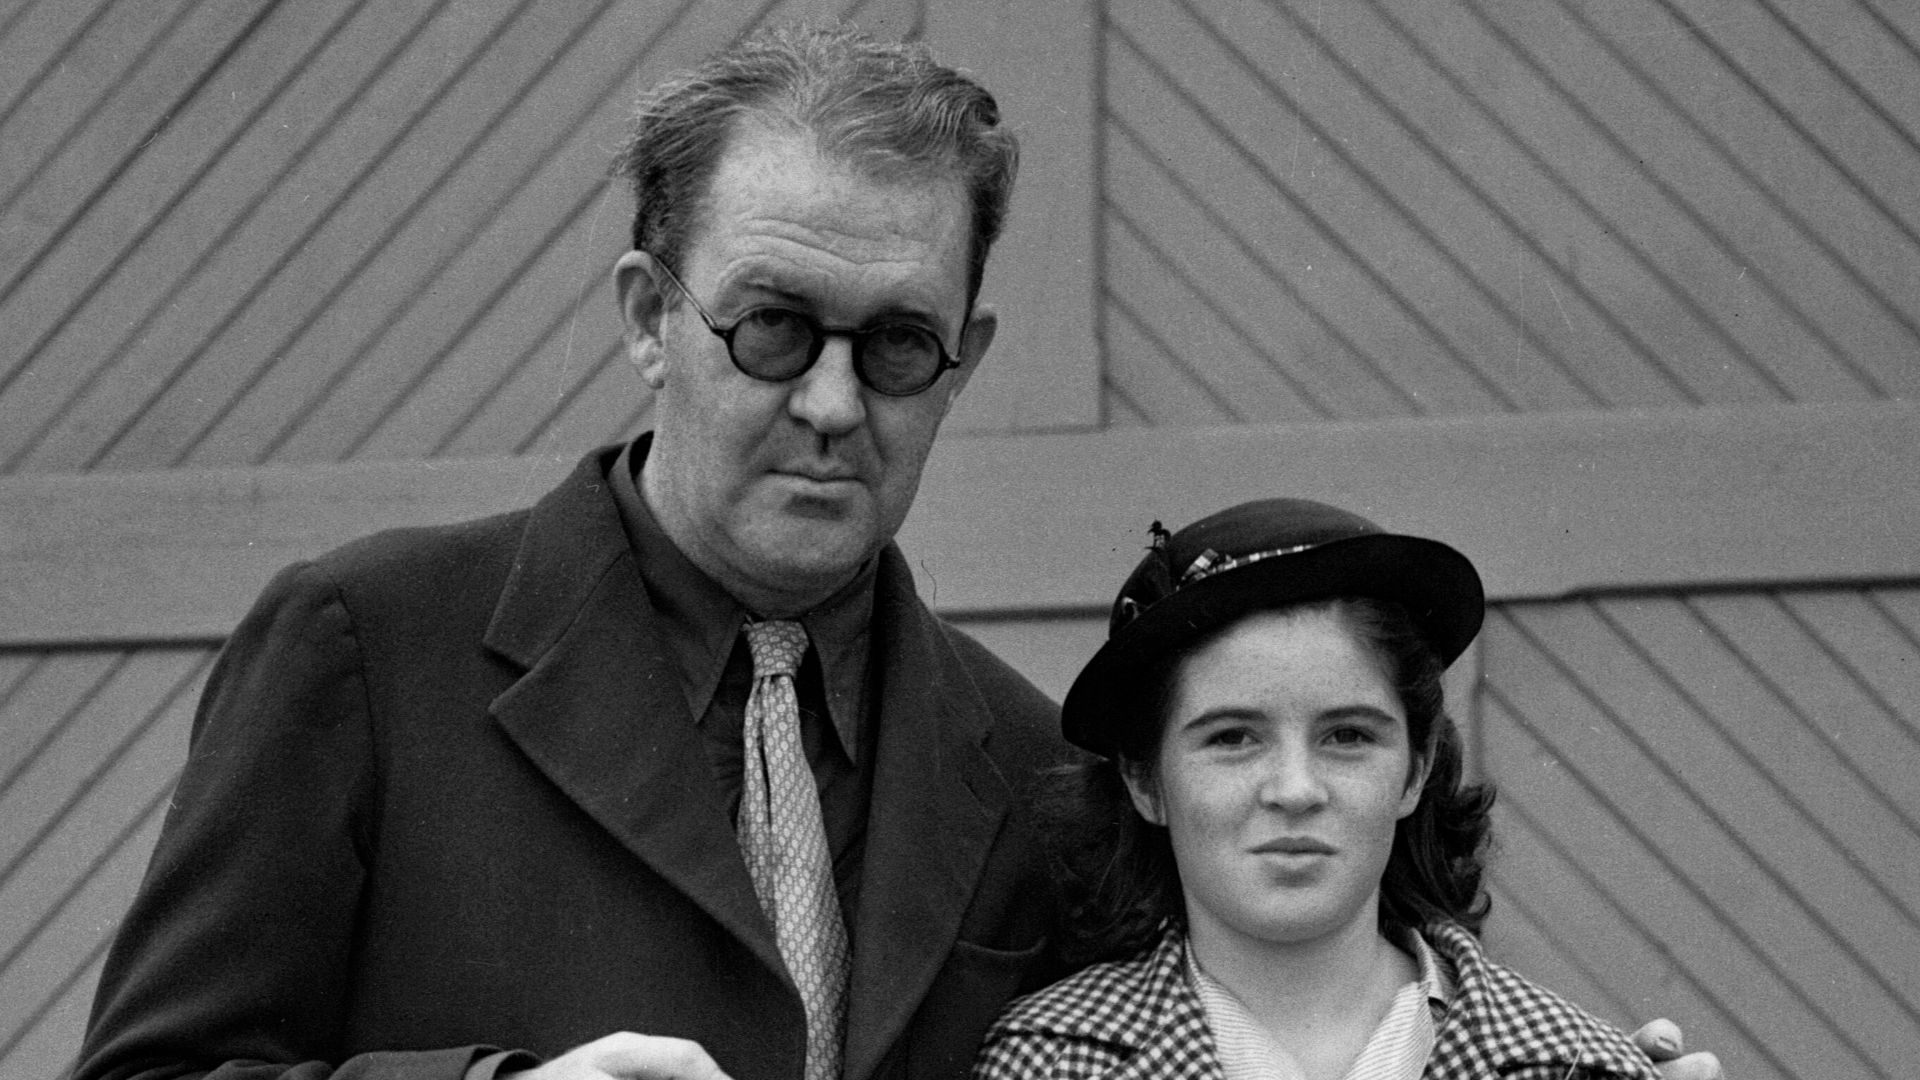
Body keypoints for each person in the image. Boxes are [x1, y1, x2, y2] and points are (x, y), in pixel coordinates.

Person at [73, 23, 1717, 1080]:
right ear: (652, 319)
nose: (838, 406)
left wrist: (1571, 1066)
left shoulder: (1031, 762)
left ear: (969, 356)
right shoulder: (372, 645)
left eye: (902, 346)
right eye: (777, 329)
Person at [974, 498, 1698, 1080]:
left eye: (1347, 736)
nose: (1294, 789)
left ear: (1415, 770)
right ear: (1146, 783)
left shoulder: (1572, 1066)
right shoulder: (1051, 1062)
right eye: (1232, 738)